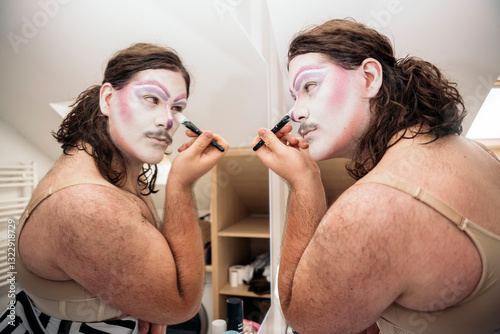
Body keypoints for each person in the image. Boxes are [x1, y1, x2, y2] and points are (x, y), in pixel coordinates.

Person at [253, 19, 500, 334]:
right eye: (295, 96)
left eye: (309, 86)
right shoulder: (475, 151)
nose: (296, 113)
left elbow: (305, 319)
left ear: (369, 78)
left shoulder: (372, 207)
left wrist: (304, 183)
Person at [1, 43, 228, 334]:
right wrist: (181, 185)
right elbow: (182, 308)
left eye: (177, 108)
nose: (167, 120)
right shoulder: (88, 204)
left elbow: (137, 257)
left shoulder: (115, 166)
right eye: (151, 99)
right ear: (107, 99)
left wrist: (142, 302)